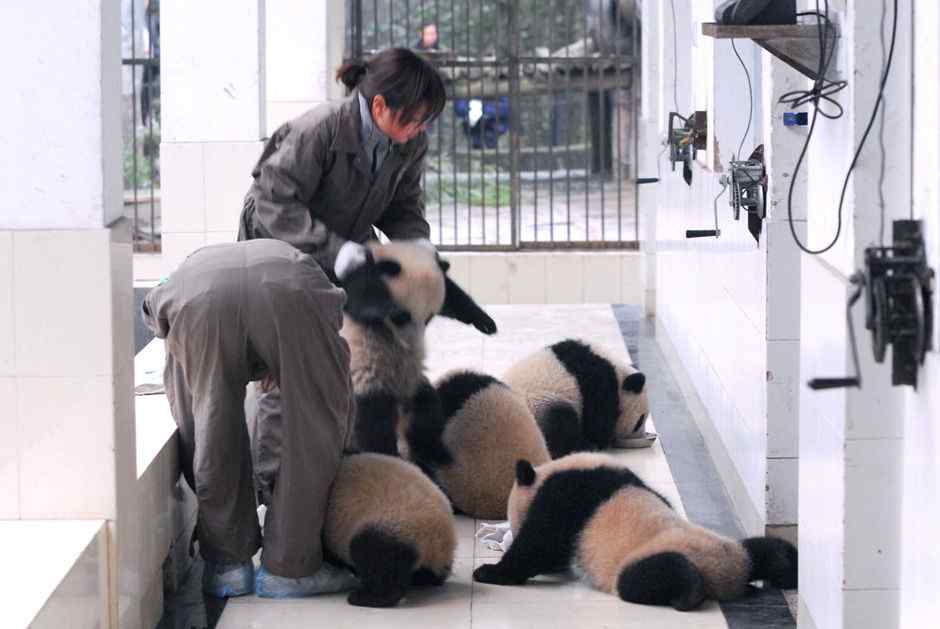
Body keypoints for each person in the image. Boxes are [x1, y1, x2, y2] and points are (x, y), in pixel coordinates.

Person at [234, 47, 447, 596]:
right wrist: (334, 248)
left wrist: (413, 242)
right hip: (278, 255)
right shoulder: (317, 131)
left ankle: (330, 494)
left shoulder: (408, 140)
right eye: (415, 116)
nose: (421, 127)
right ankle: (275, 499)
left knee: (336, 368)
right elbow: (272, 202)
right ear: (379, 105)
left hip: (337, 258)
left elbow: (403, 202)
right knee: (285, 376)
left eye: (427, 119)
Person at [141, 239, 358, 599]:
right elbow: (332, 315)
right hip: (291, 291)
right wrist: (284, 356)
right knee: (317, 425)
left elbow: (157, 315)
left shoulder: (179, 276)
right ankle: (291, 569)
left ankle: (228, 567)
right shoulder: (300, 263)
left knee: (209, 424)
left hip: (197, 299)